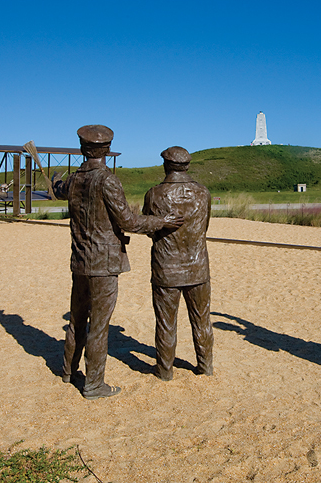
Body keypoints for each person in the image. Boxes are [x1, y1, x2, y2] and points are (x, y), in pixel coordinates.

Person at [52, 125, 183, 400]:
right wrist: (162, 222)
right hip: (104, 264)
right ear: (108, 150)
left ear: (81, 149)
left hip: (80, 260)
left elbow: (60, 189)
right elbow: (129, 221)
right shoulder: (107, 180)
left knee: (77, 319)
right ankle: (93, 384)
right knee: (99, 325)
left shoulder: (75, 180)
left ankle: (68, 370)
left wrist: (54, 182)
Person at [143, 146, 213, 381]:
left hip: (167, 268)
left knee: (166, 322)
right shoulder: (203, 193)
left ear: (166, 165)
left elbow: (149, 228)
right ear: (187, 166)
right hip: (197, 267)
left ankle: (165, 370)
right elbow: (204, 227)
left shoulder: (154, 194)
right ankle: (205, 366)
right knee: (202, 318)